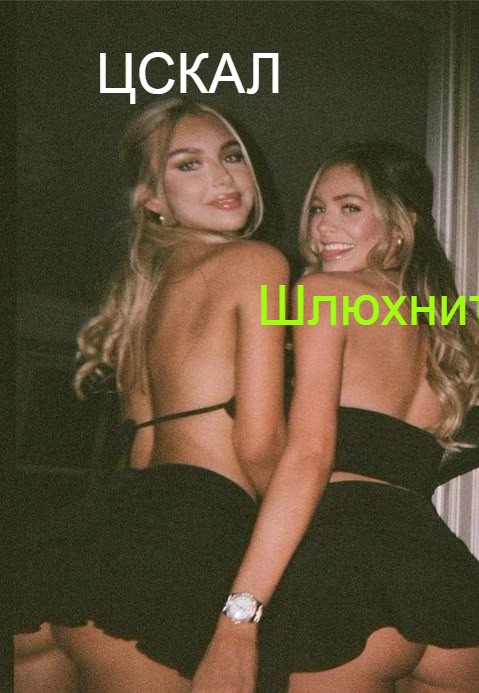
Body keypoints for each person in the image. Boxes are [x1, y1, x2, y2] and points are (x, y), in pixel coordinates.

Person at [192, 142, 479, 692]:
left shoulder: (324, 294)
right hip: (444, 579)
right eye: (317, 208)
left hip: (344, 568)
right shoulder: (451, 320)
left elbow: (310, 456)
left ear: (400, 226)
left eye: (349, 207)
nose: (323, 225)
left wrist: (239, 619)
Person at [11, 98, 289, 692]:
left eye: (232, 156)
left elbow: (143, 452)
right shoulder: (257, 263)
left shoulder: (143, 294)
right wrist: (305, 530)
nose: (223, 177)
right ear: (152, 198)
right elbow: (261, 444)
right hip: (175, 545)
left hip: (79, 542)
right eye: (189, 164)